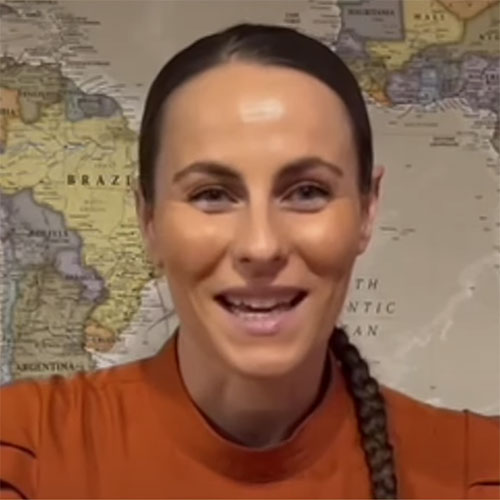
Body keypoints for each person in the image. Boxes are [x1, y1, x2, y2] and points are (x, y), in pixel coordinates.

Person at [0, 23, 498, 500]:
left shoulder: (476, 473)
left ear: (368, 211)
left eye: (307, 192)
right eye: (212, 194)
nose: (261, 246)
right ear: (148, 219)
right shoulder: (26, 455)